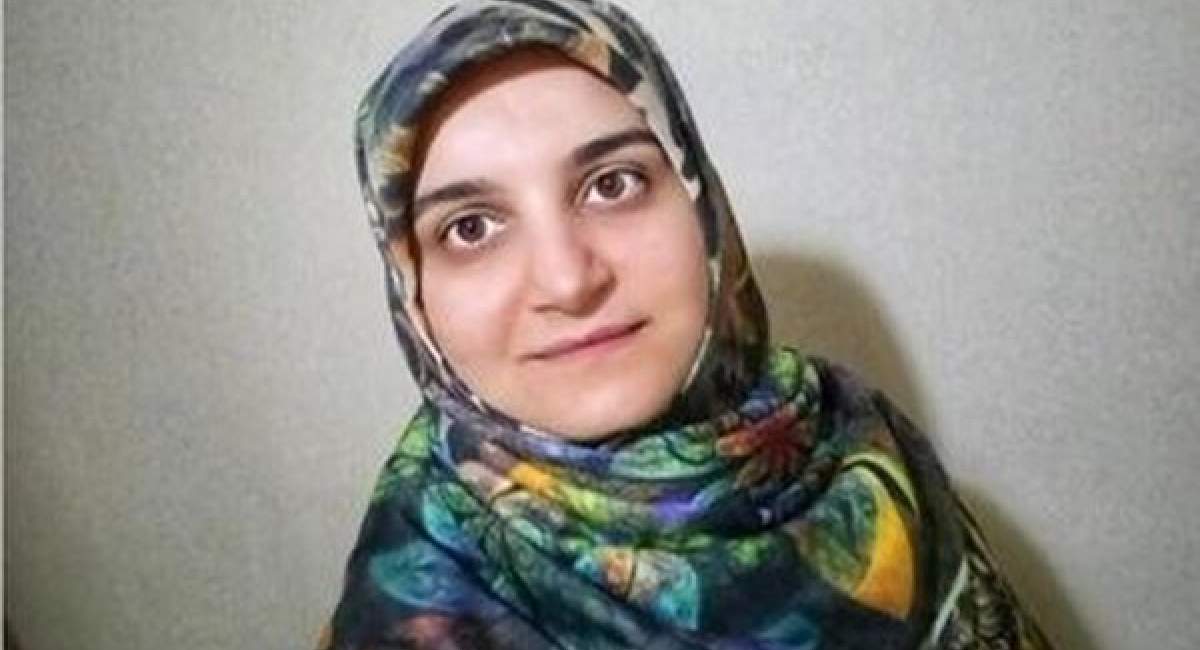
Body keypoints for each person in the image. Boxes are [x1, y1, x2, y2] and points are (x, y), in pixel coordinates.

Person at [322, 1, 1054, 648]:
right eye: (471, 227)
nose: (569, 282)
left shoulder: (856, 438)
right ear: (413, 294)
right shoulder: (412, 594)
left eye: (612, 183)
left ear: (702, 202)